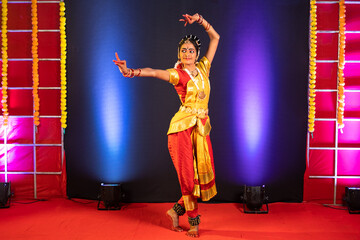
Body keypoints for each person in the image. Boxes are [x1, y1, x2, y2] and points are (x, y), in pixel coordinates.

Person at [113, 13, 220, 238]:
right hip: (181, 129)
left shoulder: (204, 69)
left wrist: (200, 20)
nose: (187, 53)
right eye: (184, 50)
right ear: (179, 54)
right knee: (188, 180)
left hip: (201, 129)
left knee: (199, 180)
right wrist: (129, 71)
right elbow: (154, 72)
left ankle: (175, 211)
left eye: (191, 50)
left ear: (197, 54)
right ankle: (193, 223)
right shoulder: (178, 74)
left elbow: (216, 38)